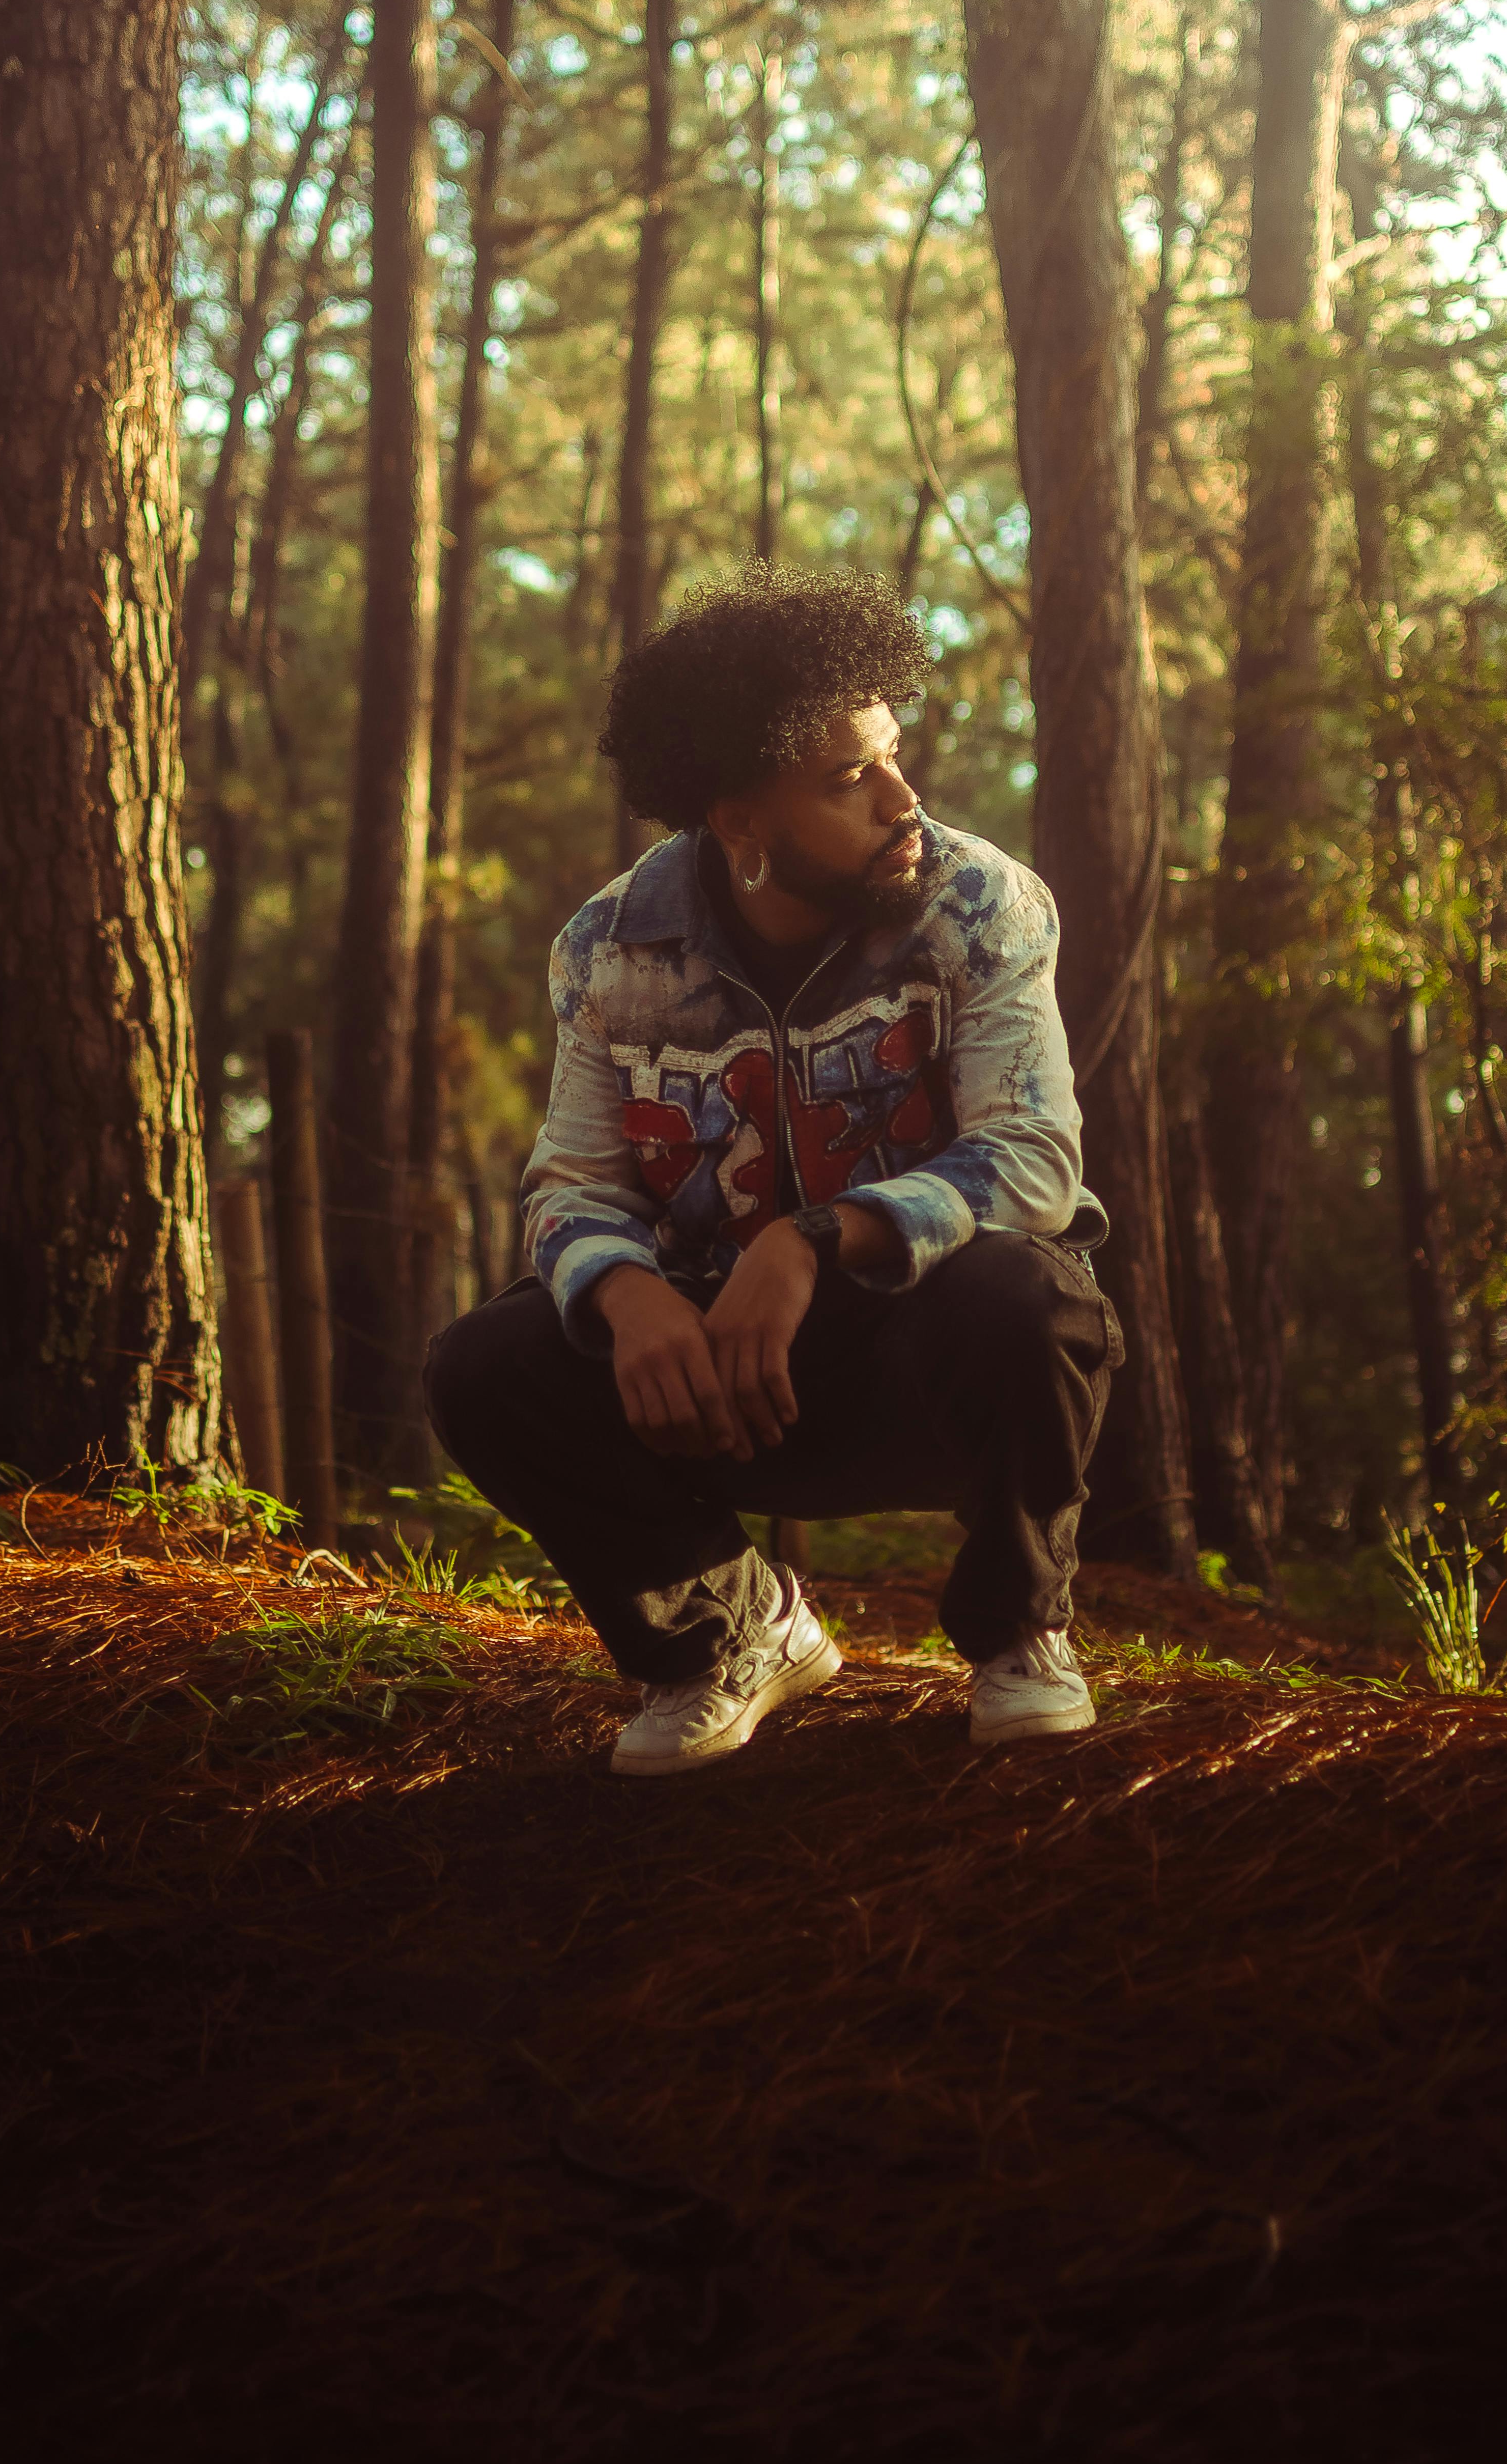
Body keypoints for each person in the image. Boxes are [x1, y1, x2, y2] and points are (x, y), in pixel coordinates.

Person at [423, 562, 1122, 1776]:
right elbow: (572, 1182)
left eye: (894, 753)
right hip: (716, 1390)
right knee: (484, 1366)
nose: (901, 796)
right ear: (737, 818)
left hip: (927, 1361)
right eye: (850, 779)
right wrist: (623, 1290)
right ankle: (729, 1633)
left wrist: (813, 1239)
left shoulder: (979, 903)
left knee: (1037, 1296)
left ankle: (1019, 1632)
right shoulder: (608, 945)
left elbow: (1033, 1156)